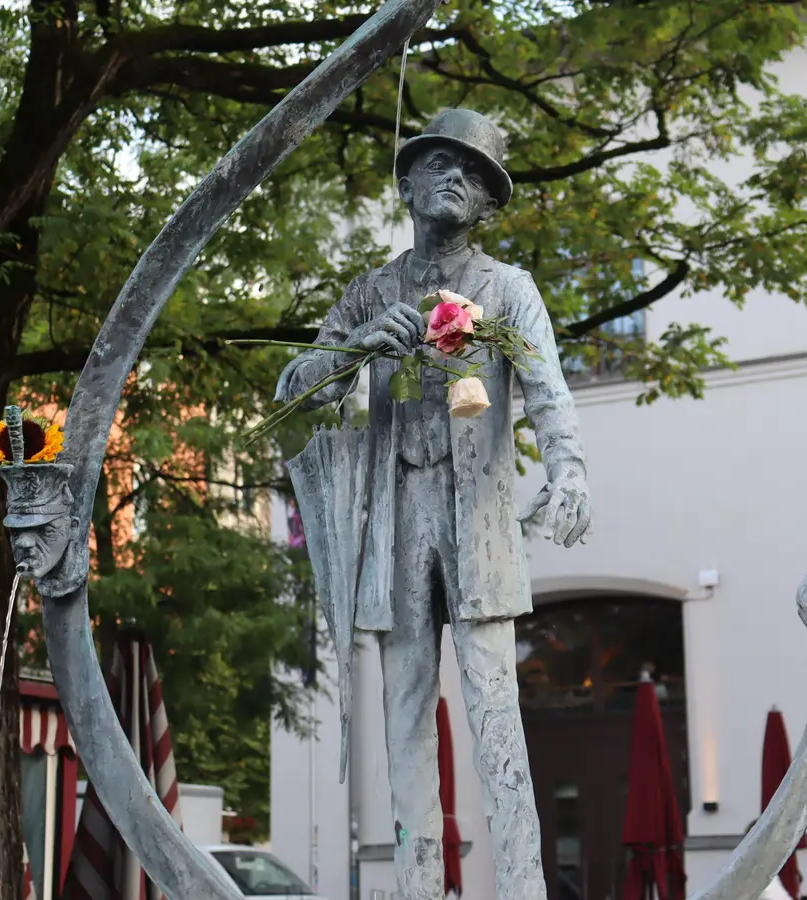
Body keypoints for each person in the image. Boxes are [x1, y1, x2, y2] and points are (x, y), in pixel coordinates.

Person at [275, 108, 592, 900]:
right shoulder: (371, 290)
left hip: (478, 521)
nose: (457, 176)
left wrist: (569, 471)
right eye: (441, 162)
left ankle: (522, 887)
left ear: (486, 204)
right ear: (408, 182)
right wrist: (350, 349)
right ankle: (417, 885)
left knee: (495, 710)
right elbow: (295, 393)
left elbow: (549, 392)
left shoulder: (508, 289)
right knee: (405, 716)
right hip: (398, 517)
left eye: (474, 172)